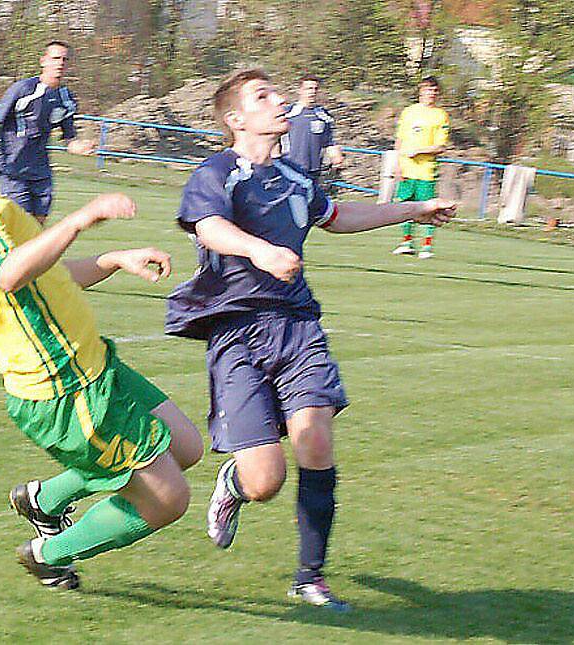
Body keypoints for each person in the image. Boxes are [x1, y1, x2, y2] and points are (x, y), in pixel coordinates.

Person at [165, 69, 455, 611]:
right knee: (266, 480)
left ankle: (310, 576)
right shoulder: (218, 172)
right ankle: (236, 482)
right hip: (237, 331)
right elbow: (207, 226)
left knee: (316, 441)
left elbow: (340, 217)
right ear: (236, 119)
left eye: (276, 92)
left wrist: (411, 210)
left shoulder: (297, 177)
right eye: (263, 96)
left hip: (298, 325)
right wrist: (260, 251)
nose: (278, 102)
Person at [0, 94, 203, 590]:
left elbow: (44, 275)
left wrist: (111, 259)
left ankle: (44, 500)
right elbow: (10, 274)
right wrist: (84, 217)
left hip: (93, 365)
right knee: (169, 497)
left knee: (187, 445)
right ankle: (49, 553)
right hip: (63, 387)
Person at [0, 41, 96, 225]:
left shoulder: (66, 99)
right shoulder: (23, 89)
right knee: (20, 226)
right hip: (13, 169)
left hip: (41, 171)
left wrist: (80, 147)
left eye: (64, 59)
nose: (60, 63)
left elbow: (69, 139)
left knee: (37, 227)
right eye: (55, 58)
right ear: (43, 61)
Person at [392, 76, 450, 259]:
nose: (430, 93)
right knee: (405, 206)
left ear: (437, 93)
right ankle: (406, 242)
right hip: (407, 170)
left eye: (434, 90)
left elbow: (440, 147)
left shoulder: (440, 115)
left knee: (428, 208)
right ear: (420, 90)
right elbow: (399, 141)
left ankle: (426, 246)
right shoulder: (409, 112)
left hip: (426, 171)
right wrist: (398, 165)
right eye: (427, 89)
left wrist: (418, 151)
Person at [280, 74, 344, 183]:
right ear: (300, 90)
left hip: (314, 171)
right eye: (309, 88)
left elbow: (328, 142)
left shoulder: (323, 115)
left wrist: (336, 157)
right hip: (290, 168)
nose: (313, 92)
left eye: (316, 89)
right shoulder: (287, 112)